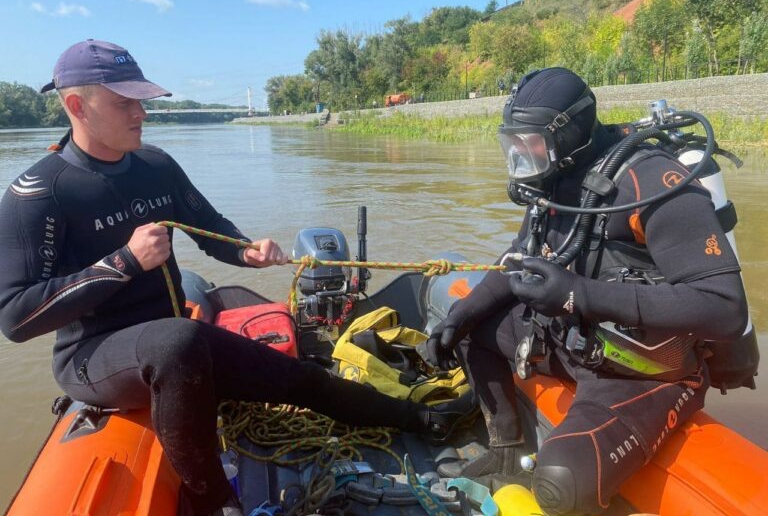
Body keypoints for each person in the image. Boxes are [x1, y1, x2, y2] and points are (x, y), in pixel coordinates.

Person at [0, 40, 467, 516]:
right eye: (125, 103)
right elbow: (15, 317)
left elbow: (210, 227)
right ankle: (214, 502)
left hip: (176, 344)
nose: (141, 113)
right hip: (93, 356)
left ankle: (421, 417)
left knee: (299, 378)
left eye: (141, 100)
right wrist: (123, 262)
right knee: (176, 341)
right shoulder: (38, 195)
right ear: (77, 105)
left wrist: (246, 250)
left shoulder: (155, 166)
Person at [425, 67, 748, 515]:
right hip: (569, 339)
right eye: (513, 144)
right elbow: (520, 256)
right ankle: (506, 452)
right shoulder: (553, 179)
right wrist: (460, 314)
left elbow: (726, 308)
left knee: (561, 483)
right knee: (467, 328)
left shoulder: (653, 183)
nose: (521, 157)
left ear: (568, 134)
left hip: (639, 371)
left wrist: (579, 293)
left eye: (530, 143)